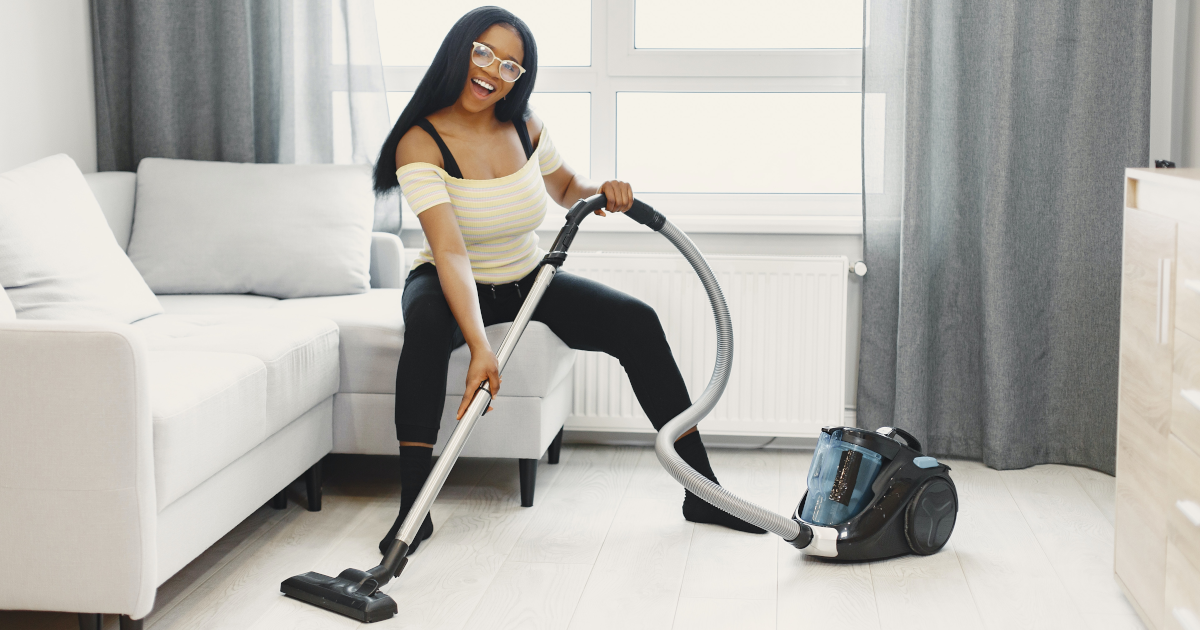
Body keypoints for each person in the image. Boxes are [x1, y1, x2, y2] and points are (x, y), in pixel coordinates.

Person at [371, 6, 764, 558]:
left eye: (511, 66)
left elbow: (565, 187)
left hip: (527, 277)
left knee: (637, 322)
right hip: (448, 278)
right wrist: (482, 347)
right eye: (483, 52)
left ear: (520, 78)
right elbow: (451, 250)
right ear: (459, 49)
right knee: (427, 332)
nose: (492, 71)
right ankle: (414, 509)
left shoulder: (524, 125)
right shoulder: (422, 141)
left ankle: (701, 490)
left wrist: (601, 190)